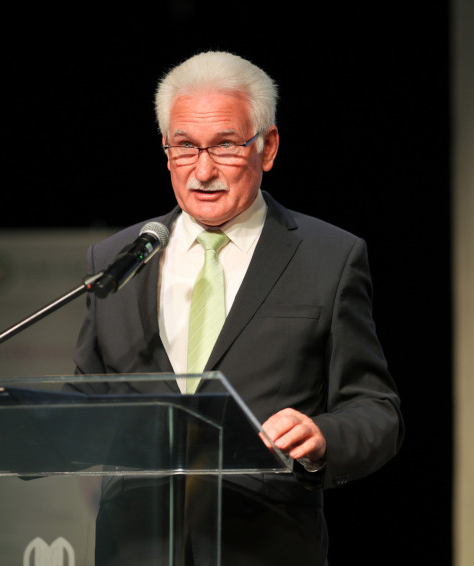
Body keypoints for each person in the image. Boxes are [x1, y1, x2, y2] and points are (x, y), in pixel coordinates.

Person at [73, 51, 403, 565]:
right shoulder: (117, 259)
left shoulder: (330, 258)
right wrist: (19, 426)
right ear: (166, 150)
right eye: (185, 146)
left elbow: (376, 410)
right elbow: (83, 402)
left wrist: (323, 437)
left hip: (264, 545)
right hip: (136, 545)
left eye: (225, 145)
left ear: (267, 147)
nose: (203, 170)